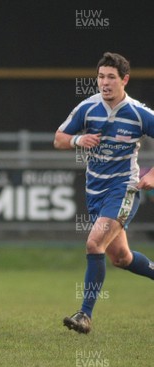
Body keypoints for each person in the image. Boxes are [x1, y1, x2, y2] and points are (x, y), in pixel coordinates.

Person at [54, 52, 154, 334]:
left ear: (125, 80)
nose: (105, 83)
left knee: (93, 243)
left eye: (111, 77)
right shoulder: (88, 108)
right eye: (101, 77)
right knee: (121, 257)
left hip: (123, 189)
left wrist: (153, 174)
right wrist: (78, 139)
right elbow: (59, 139)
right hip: (95, 191)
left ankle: (84, 315)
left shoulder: (138, 113)